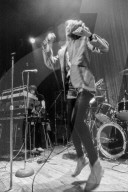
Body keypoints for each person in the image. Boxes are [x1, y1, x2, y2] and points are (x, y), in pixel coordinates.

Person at [64, 19, 109, 191]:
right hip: (72, 86)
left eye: (71, 27)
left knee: (77, 120)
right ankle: (81, 158)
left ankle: (96, 165)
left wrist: (89, 35)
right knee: (70, 124)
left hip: (85, 83)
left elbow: (105, 48)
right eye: (68, 28)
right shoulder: (69, 47)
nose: (68, 29)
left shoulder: (85, 39)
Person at [29, 85, 46, 153]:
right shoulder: (30, 98)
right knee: (34, 131)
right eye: (30, 90)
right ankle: (35, 147)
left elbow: (43, 106)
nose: (31, 92)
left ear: (35, 90)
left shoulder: (40, 96)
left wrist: (39, 111)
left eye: (32, 90)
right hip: (34, 116)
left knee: (39, 131)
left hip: (40, 115)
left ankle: (40, 146)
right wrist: (32, 110)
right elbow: (31, 108)